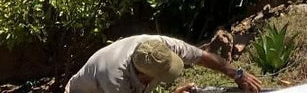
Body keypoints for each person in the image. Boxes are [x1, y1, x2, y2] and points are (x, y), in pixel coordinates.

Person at [64, 35, 262, 93]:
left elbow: (200, 55)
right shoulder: (115, 81)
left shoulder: (160, 46)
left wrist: (236, 74)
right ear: (145, 77)